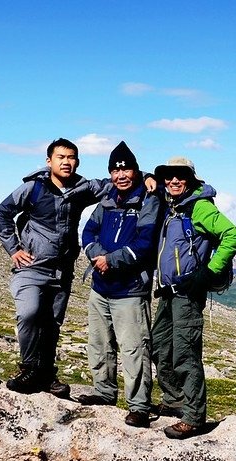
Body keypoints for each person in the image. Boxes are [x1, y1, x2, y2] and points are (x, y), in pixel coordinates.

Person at [0, 138, 114, 397]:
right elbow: (4, 212)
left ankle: (46, 374)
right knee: (29, 313)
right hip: (32, 267)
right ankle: (29, 369)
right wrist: (14, 248)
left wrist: (148, 177)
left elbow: (116, 182)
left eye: (71, 157)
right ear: (49, 161)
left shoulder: (82, 188)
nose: (66, 162)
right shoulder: (32, 189)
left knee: (51, 323)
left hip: (62, 271)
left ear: (77, 162)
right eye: (60, 157)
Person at [151, 157, 236, 439]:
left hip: (188, 294)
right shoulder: (171, 204)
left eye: (181, 176)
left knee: (185, 353)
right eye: (169, 176)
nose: (174, 180)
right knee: (159, 346)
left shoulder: (199, 207)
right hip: (168, 292)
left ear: (190, 178)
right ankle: (175, 399)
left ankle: (193, 416)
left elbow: (232, 236)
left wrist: (208, 272)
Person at [76, 141, 163, 428]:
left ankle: (139, 406)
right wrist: (96, 255)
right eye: (114, 170)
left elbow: (145, 244)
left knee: (134, 348)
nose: (120, 175)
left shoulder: (148, 198)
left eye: (125, 170)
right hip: (101, 288)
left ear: (136, 171)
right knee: (99, 343)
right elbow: (88, 231)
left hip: (130, 288)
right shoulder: (108, 198)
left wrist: (111, 260)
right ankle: (104, 392)